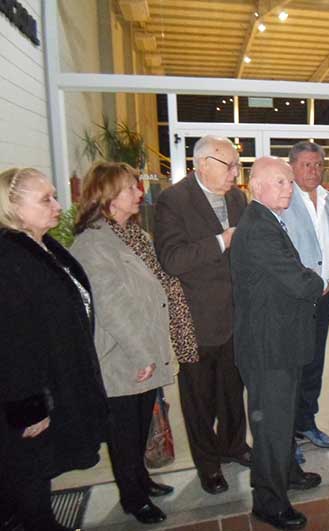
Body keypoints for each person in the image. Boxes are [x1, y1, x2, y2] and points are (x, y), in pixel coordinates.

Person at [71, 162, 198, 524]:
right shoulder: (94, 244)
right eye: (130, 188)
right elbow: (112, 306)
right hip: (124, 355)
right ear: (108, 196)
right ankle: (132, 497)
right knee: (124, 432)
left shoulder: (134, 235)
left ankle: (141, 478)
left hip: (145, 349)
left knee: (141, 424)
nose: (140, 194)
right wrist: (142, 354)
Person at [0, 168, 107, 531]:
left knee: (40, 472)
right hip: (31, 395)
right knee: (28, 475)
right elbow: (12, 342)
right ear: (13, 207)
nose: (58, 205)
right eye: (45, 199)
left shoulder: (44, 246)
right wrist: (29, 409)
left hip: (57, 379)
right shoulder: (9, 258)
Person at [231, 157, 326, 531]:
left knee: (282, 418)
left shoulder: (267, 219)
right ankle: (268, 502)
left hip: (280, 340)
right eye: (281, 182)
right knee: (270, 426)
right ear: (257, 186)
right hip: (267, 347)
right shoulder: (258, 227)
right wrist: (322, 282)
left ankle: (288, 473)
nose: (289, 188)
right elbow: (295, 279)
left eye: (290, 182)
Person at [154, 136, 251, 495]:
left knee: (232, 391)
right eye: (230, 166)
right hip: (197, 321)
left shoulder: (237, 197)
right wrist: (221, 240)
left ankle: (234, 445)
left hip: (236, 317)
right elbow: (172, 259)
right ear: (203, 164)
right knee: (199, 400)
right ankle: (208, 466)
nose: (236, 174)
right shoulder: (173, 200)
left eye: (238, 166)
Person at [281, 141, 329, 452]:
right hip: (294, 301)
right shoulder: (281, 202)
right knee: (292, 367)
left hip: (323, 297)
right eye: (306, 164)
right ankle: (286, 435)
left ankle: (307, 422)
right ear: (291, 167)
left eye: (318, 164)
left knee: (314, 365)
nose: (313, 170)